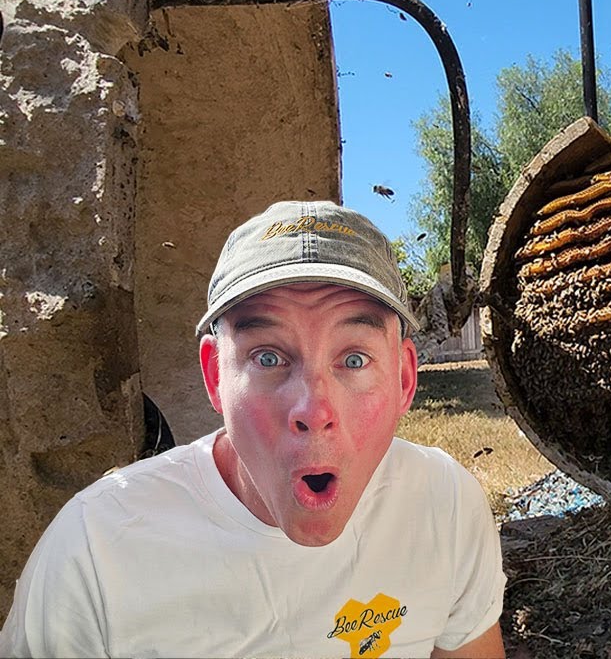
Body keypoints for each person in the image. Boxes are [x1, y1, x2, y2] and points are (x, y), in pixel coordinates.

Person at [0, 201, 507, 657]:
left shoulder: (446, 508)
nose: (313, 408)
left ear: (402, 380)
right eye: (268, 357)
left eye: (354, 359)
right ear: (216, 377)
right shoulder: (94, 554)